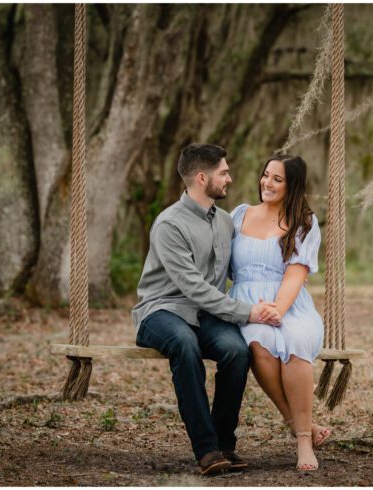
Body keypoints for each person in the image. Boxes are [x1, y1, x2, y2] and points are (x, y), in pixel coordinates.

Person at [132, 143, 281, 476]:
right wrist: (246, 312)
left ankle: (224, 442)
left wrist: (276, 296)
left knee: (236, 351)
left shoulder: (226, 222)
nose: (229, 178)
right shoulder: (169, 224)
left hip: (204, 315)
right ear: (202, 177)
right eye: (224, 172)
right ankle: (207, 450)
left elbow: (239, 270)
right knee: (184, 344)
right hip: (161, 311)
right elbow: (194, 288)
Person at [227, 154, 329, 472]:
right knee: (259, 343)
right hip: (246, 304)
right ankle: (301, 426)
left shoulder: (304, 223)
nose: (267, 183)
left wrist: (276, 310)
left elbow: (295, 275)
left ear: (292, 185)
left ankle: (302, 442)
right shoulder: (239, 215)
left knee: (295, 342)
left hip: (289, 304)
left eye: (277, 179)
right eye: (266, 175)